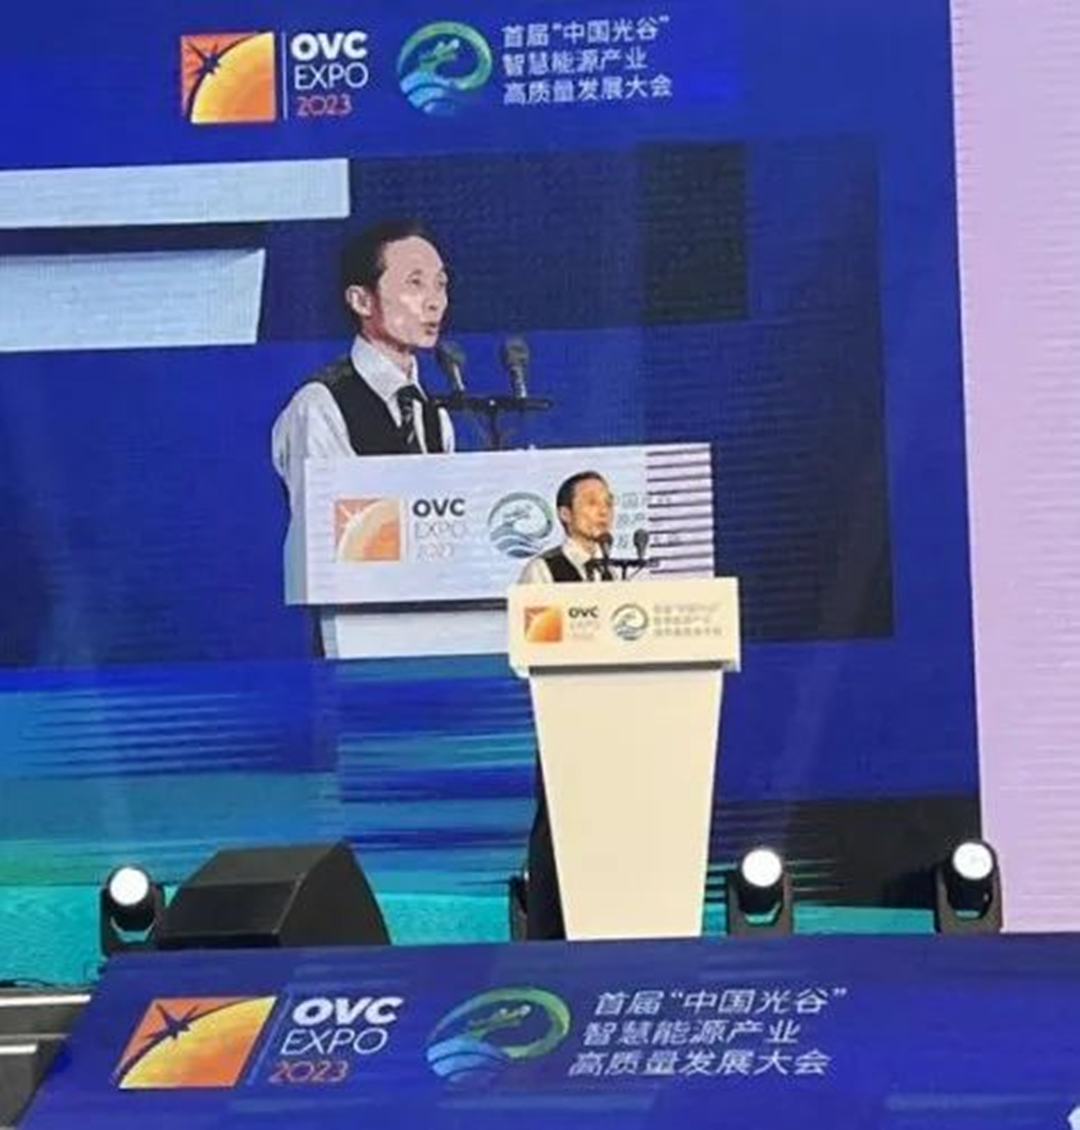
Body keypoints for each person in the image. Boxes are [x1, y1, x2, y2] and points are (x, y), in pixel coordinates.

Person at [271, 217, 455, 514]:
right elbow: (321, 526)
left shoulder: (433, 414)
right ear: (361, 301)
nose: (435, 302)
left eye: (441, 284)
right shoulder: (320, 406)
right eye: (415, 283)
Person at [517, 470, 616, 939]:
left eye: (609, 501)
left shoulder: (620, 573)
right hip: (562, 718)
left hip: (612, 719)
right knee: (556, 821)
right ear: (564, 514)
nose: (604, 510)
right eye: (592, 501)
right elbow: (529, 649)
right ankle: (549, 930)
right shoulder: (543, 571)